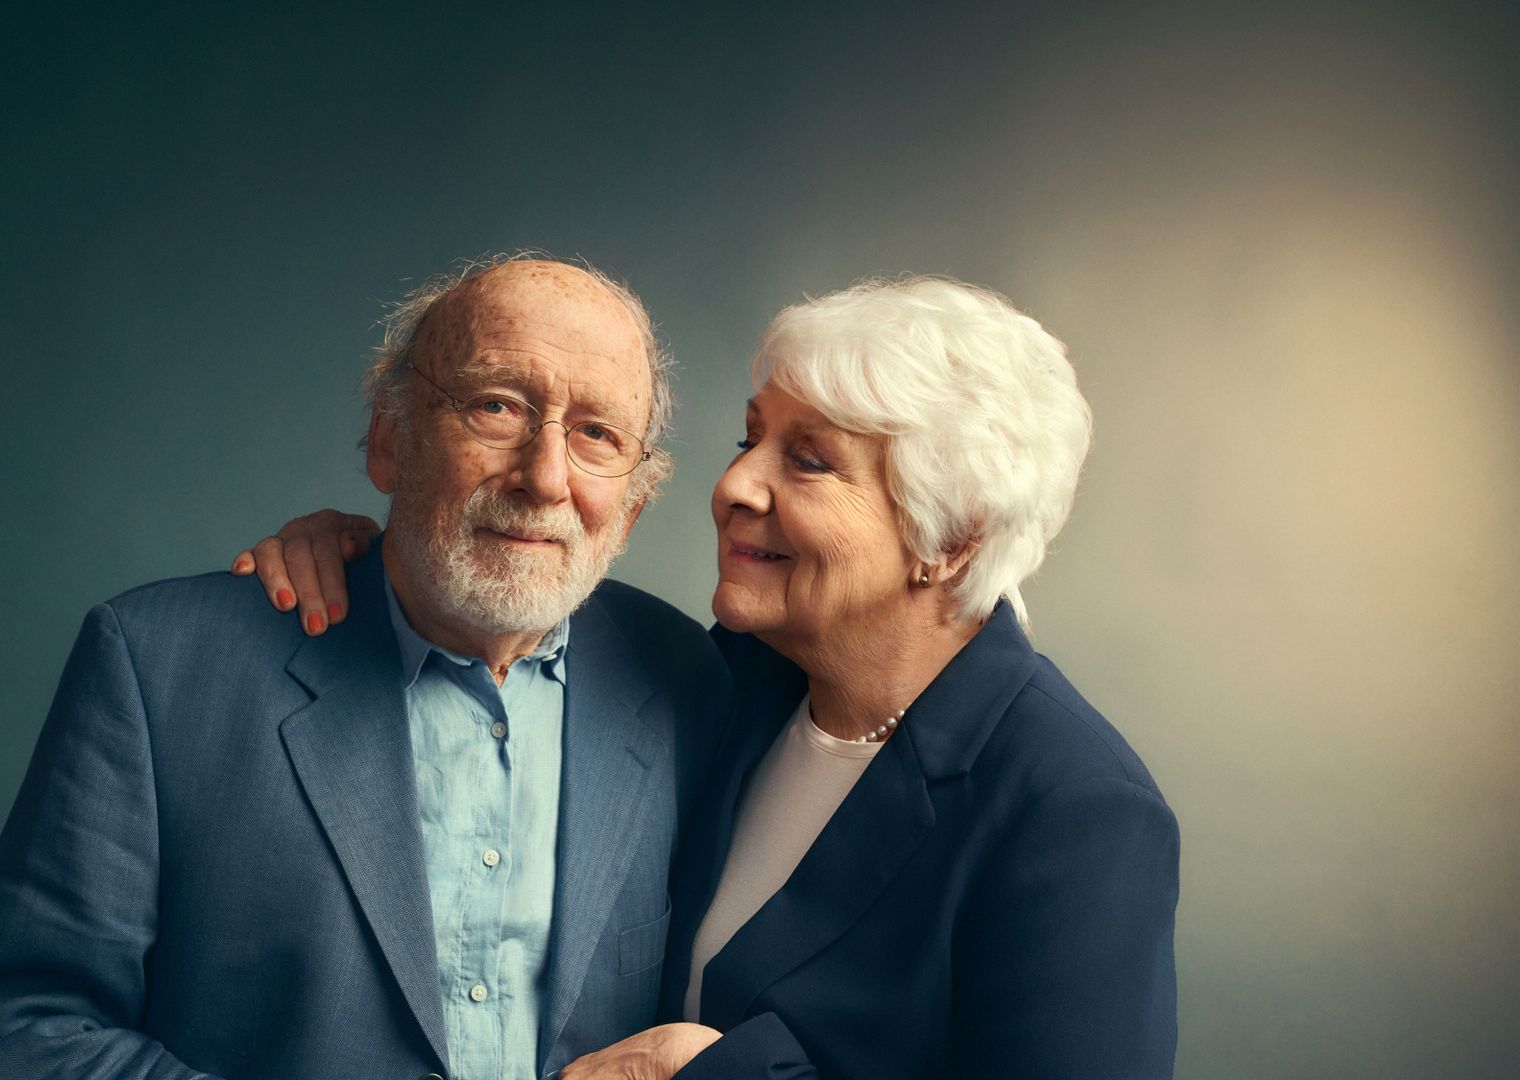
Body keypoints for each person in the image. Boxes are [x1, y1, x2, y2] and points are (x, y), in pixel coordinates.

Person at [234, 275, 1180, 1079]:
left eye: (808, 462)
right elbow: (491, 580)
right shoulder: (724, 682)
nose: (733, 486)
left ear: (951, 539)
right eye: (750, 439)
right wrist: (367, 555)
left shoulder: (1078, 812)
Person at [0, 256, 731, 1080]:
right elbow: (9, 1037)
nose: (545, 477)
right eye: (497, 407)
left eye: (598, 433)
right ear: (391, 440)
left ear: (633, 506)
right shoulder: (157, 666)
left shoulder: (687, 682)